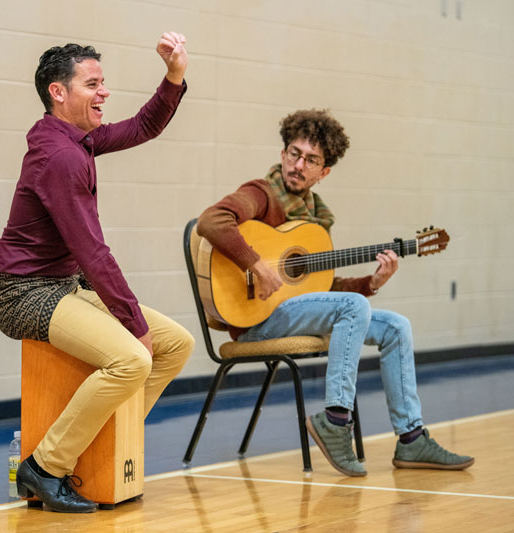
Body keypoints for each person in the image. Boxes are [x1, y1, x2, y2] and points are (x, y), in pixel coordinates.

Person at [196, 109, 473, 477]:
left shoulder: (317, 221)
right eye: (294, 153)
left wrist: (370, 284)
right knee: (352, 308)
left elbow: (320, 287)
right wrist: (257, 265)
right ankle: (336, 420)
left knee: (396, 326)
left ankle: (411, 439)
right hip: (256, 321)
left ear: (323, 172)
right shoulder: (261, 195)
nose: (298, 164)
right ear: (282, 154)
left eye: (311, 160)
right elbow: (210, 221)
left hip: (293, 314)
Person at [0, 33, 194, 513]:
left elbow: (144, 126)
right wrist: (133, 325)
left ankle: (107, 446)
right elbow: (93, 252)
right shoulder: (58, 156)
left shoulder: (77, 139)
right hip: (24, 294)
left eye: (104, 83)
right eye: (92, 84)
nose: (104, 92)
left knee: (175, 345)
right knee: (133, 359)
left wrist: (174, 75)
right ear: (58, 92)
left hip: (62, 287)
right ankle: (45, 467)